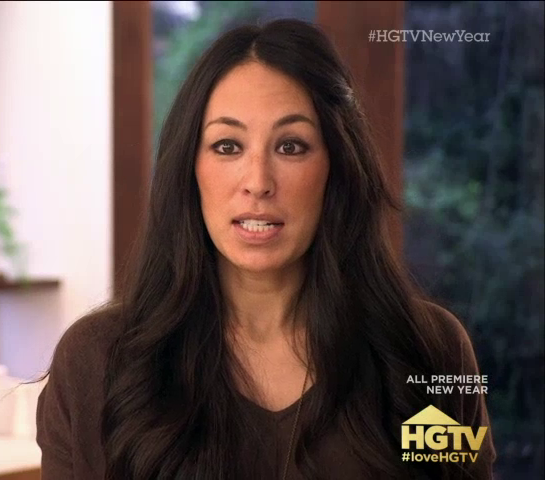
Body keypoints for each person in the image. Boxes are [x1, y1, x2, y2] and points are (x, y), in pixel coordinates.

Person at [35, 18, 496, 480]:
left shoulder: (427, 351)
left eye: (291, 146)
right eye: (227, 146)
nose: (257, 182)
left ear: (337, 166)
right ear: (189, 168)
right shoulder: (96, 361)